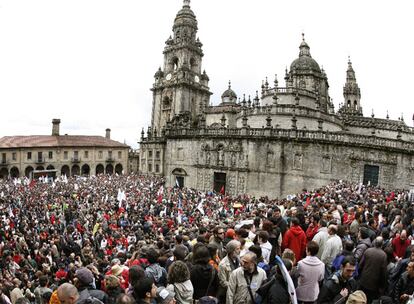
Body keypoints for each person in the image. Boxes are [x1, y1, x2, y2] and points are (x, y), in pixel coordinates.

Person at [358, 236, 387, 302]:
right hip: (373, 285)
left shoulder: (368, 251)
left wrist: (359, 276)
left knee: (359, 299)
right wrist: (382, 287)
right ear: (382, 244)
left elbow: (360, 265)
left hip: (363, 280)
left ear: (374, 242)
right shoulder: (383, 255)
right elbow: (383, 273)